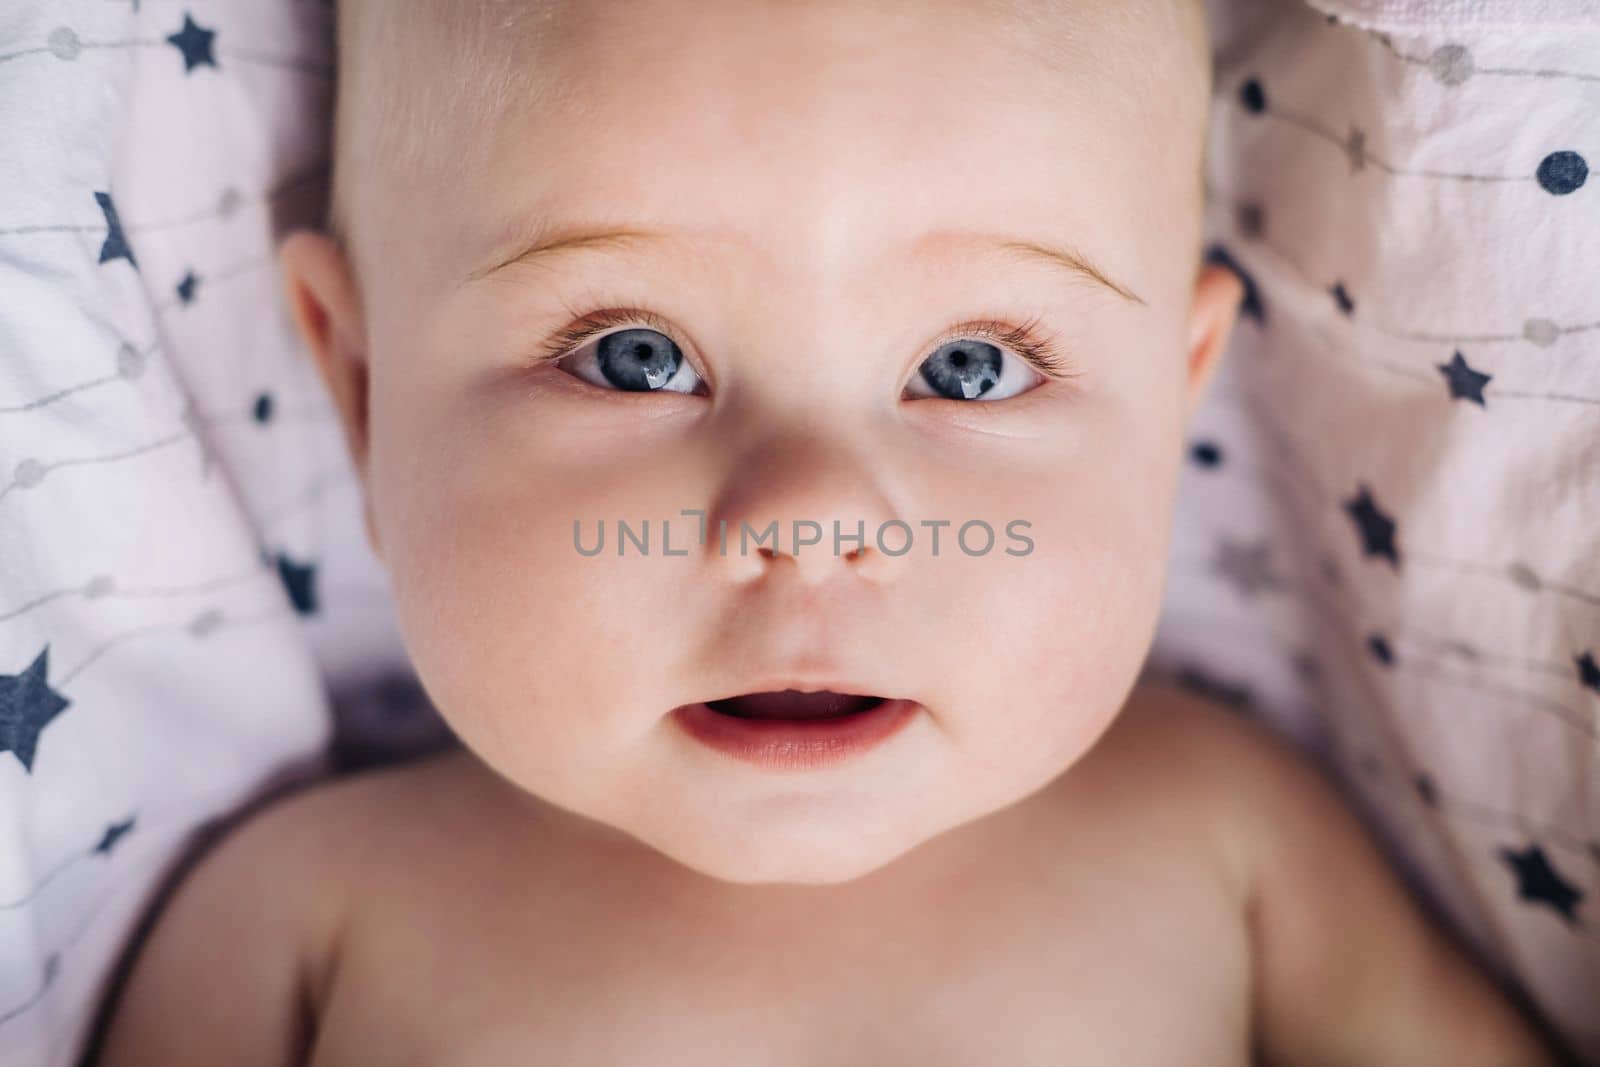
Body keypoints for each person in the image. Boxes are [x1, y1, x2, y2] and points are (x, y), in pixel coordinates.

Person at [92, 0, 1559, 1062]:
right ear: (362, 391)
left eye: (971, 367)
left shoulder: (1229, 844)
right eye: (632, 357)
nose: (810, 518)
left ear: (1170, 415)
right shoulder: (301, 921)